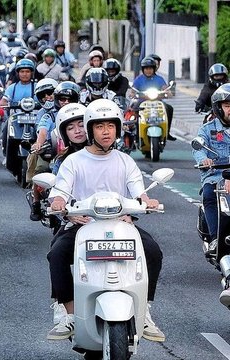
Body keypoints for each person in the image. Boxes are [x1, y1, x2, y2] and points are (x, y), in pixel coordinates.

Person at [46, 99, 165, 343]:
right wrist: (60, 204)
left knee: (153, 252)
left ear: (118, 129)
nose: (106, 132)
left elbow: (137, 191)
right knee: (56, 254)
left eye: (111, 126)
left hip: (121, 225)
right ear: (90, 130)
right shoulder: (74, 161)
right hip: (82, 225)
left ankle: (145, 312)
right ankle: (67, 314)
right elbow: (60, 190)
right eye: (100, 127)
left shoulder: (125, 161)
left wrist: (146, 200)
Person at [193, 83, 230, 255]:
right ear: (219, 108)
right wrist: (204, 160)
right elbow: (198, 146)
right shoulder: (208, 129)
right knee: (209, 195)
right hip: (215, 175)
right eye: (227, 105)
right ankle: (215, 238)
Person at [28, 78, 58, 221]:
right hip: (49, 149)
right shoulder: (44, 114)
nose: (48, 97)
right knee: (40, 169)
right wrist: (38, 144)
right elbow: (43, 130)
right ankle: (36, 202)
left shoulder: (70, 109)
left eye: (50, 93)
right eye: (44, 95)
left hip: (69, 149)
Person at [132, 56, 176, 141]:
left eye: (150, 68)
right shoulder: (138, 79)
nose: (148, 70)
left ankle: (167, 132)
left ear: (154, 69)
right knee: (135, 110)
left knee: (169, 108)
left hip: (157, 102)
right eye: (146, 68)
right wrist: (134, 94)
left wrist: (167, 92)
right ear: (143, 69)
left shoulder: (159, 79)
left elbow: (165, 88)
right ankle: (136, 134)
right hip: (142, 102)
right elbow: (133, 91)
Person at [51, 103, 88, 175]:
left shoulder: (103, 153)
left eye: (81, 125)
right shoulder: (62, 160)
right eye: (70, 128)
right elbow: (56, 184)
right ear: (64, 133)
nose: (77, 131)